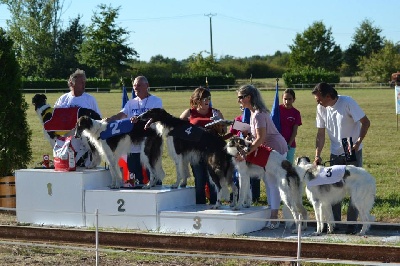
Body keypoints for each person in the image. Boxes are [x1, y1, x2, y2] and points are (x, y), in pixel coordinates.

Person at [311, 82, 370, 234]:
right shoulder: (321, 108)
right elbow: (321, 134)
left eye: (319, 99)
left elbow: (366, 122)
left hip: (352, 151)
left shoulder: (348, 102)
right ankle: (334, 224)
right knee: (332, 188)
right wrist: (317, 154)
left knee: (354, 189)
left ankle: (352, 225)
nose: (318, 102)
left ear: (329, 96)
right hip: (335, 152)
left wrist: (357, 143)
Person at [236, 84, 288, 229]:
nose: (238, 100)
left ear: (249, 97)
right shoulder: (254, 113)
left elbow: (260, 138)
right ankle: (272, 214)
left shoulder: (258, 114)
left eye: (240, 97)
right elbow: (256, 136)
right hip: (268, 149)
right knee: (269, 183)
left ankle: (274, 218)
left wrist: (245, 153)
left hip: (275, 149)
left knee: (272, 184)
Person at [105, 76, 162, 185]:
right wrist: (110, 119)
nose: (136, 88)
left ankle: (157, 193)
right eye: (134, 85)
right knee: (135, 177)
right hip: (133, 145)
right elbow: (122, 114)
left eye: (139, 85)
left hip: (150, 143)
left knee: (153, 174)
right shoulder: (130, 103)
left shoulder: (156, 101)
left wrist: (139, 119)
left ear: (147, 86)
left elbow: (156, 117)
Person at [180, 87, 225, 205]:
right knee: (199, 180)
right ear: (197, 99)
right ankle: (199, 207)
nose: (207, 101)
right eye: (204, 98)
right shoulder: (189, 113)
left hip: (213, 152)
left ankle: (216, 205)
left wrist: (218, 126)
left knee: (213, 180)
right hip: (195, 152)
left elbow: (224, 131)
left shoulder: (216, 112)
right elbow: (178, 129)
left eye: (209, 98)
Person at [54, 69, 102, 167]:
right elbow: (55, 118)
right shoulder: (63, 99)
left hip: (86, 141)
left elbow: (98, 120)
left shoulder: (90, 99)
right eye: (81, 83)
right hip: (67, 139)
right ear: (72, 83)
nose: (84, 85)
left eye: (85, 82)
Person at [279, 89, 302, 164]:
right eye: (285, 99)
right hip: (278, 144)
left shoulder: (296, 113)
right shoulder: (277, 110)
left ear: (294, 99)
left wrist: (288, 144)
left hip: (290, 145)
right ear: (282, 98)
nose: (287, 101)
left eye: (290, 99)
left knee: (288, 168)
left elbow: (295, 131)